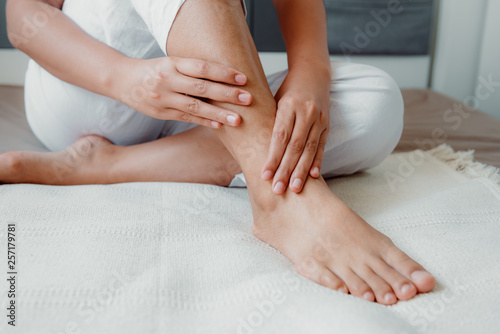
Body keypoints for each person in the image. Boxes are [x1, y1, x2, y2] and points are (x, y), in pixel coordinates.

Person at [3, 0, 435, 304]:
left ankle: (104, 166)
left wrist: (310, 74)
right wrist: (124, 79)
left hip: (206, 97)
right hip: (92, 88)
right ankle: (280, 198)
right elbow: (21, 14)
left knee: (376, 102)